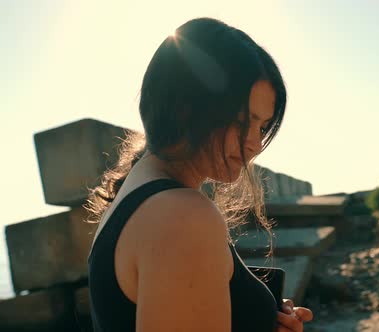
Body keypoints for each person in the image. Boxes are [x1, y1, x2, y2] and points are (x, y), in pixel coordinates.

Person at [86, 17, 313, 331]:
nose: (255, 144)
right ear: (185, 108)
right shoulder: (182, 215)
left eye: (262, 127)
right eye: (241, 121)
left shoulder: (134, 199)